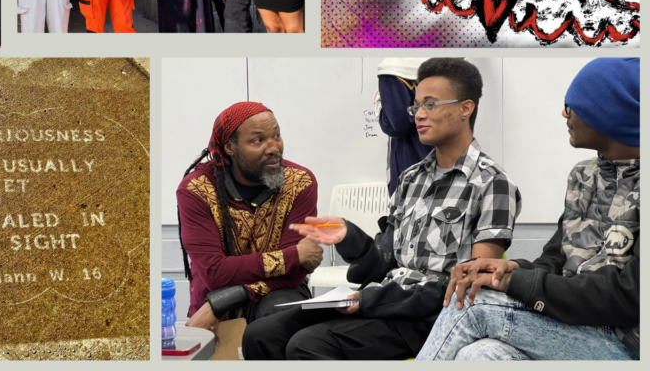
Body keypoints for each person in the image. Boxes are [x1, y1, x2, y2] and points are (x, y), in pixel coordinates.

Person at [243, 58, 522, 360]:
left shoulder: (493, 184)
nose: (418, 115)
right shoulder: (411, 178)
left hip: (432, 318)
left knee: (308, 344)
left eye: (430, 104)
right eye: (416, 106)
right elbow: (382, 263)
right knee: (260, 335)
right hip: (385, 301)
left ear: (466, 108)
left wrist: (372, 300)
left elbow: (472, 289)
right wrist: (349, 236)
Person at [418, 58, 638, 361]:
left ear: (608, 112)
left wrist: (516, 283)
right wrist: (510, 268)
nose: (564, 113)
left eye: (572, 106)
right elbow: (554, 261)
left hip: (628, 344)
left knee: (473, 305)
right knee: (480, 354)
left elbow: (629, 296)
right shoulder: (584, 176)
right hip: (572, 327)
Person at [177, 102, 323, 331]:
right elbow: (215, 273)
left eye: (277, 135)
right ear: (230, 148)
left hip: (275, 297)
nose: (274, 147)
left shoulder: (300, 183)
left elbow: (297, 272)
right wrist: (292, 256)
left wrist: (234, 295)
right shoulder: (197, 190)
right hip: (212, 309)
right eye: (258, 140)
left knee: (276, 315)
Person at [375, 58, 433, 196]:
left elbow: (396, 125)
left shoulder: (394, 68)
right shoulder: (452, 61)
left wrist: (379, 107)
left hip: (412, 159)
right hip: (449, 158)